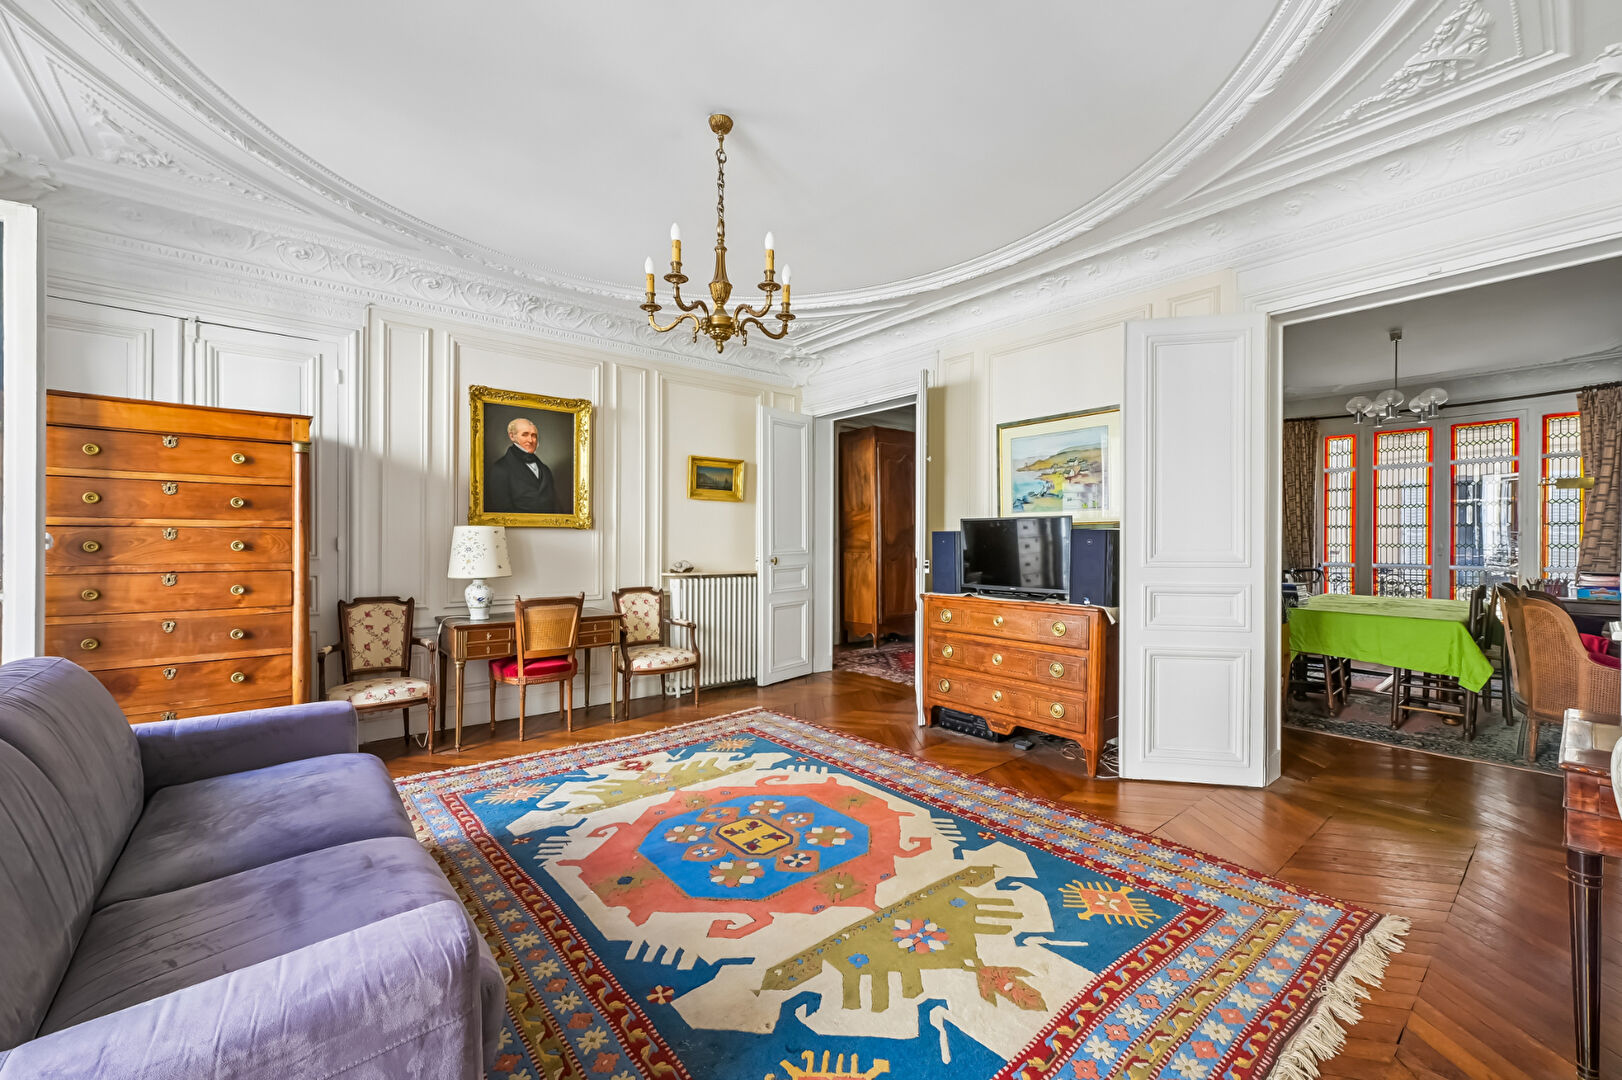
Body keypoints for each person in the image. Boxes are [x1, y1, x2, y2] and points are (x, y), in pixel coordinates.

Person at [485, 416, 564, 514]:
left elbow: (556, 506)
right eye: (525, 435)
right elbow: (502, 511)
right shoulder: (500, 469)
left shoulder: (545, 470)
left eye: (534, 435)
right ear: (512, 436)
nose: (530, 440)